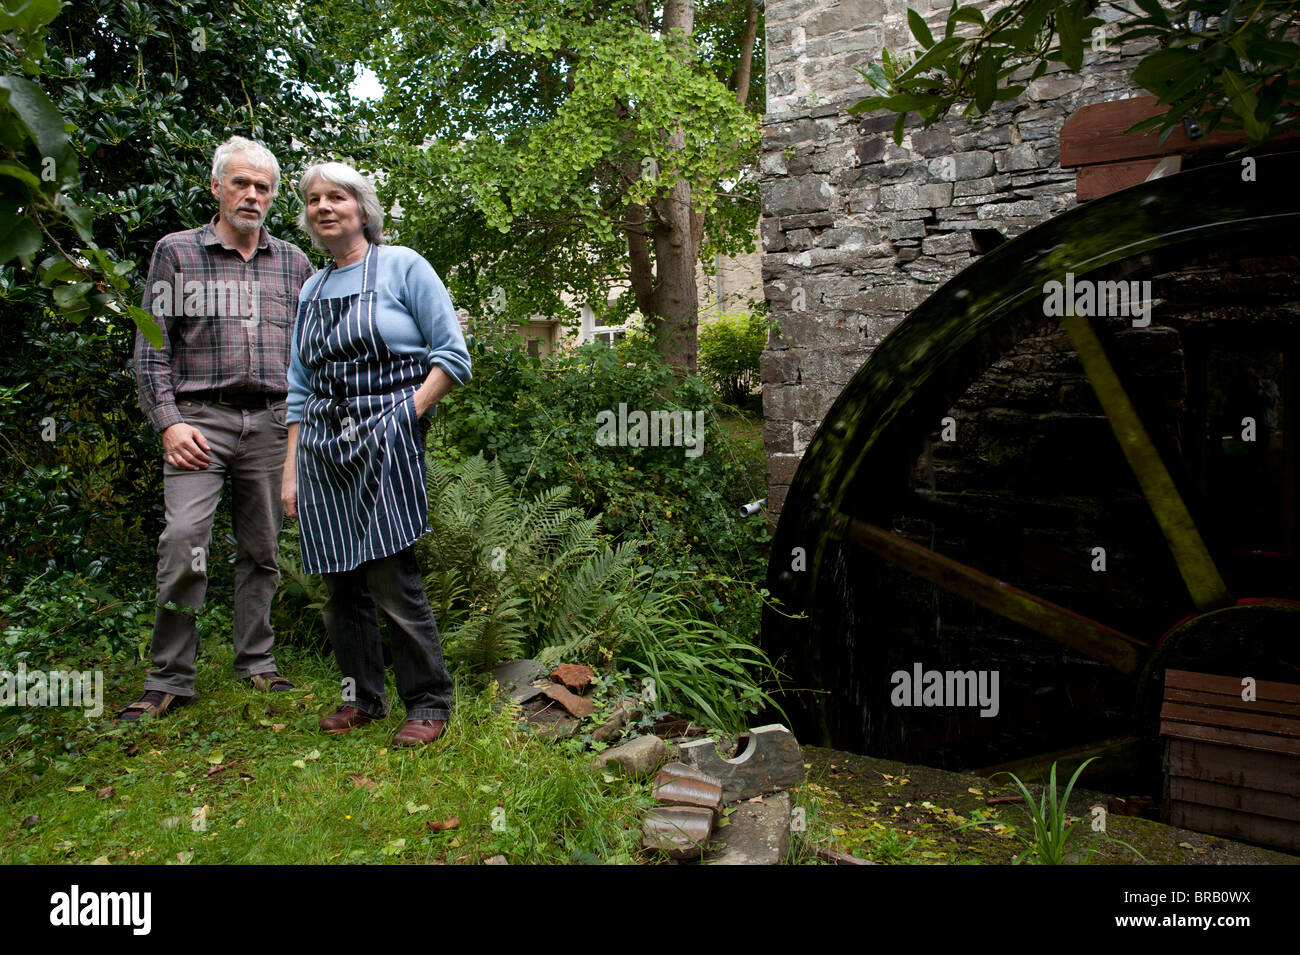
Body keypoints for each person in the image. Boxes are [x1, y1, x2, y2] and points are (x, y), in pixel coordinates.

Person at [121, 136, 315, 721]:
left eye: (263, 187)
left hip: (274, 421)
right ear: (216, 188)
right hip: (198, 421)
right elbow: (150, 350)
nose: (252, 195)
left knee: (261, 551)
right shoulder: (177, 254)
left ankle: (257, 662)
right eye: (241, 183)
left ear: (273, 196)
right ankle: (169, 678)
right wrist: (167, 424)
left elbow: (311, 356)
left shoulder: (295, 263)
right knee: (184, 544)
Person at [282, 161, 470, 747]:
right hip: (321, 446)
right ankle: (362, 698)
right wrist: (289, 472)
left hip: (386, 438)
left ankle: (429, 703)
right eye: (314, 200)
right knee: (339, 586)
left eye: (336, 197)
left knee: (392, 575)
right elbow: (298, 385)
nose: (324, 207)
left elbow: (452, 357)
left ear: (362, 208)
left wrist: (402, 418)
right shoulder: (311, 289)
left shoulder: (402, 266)